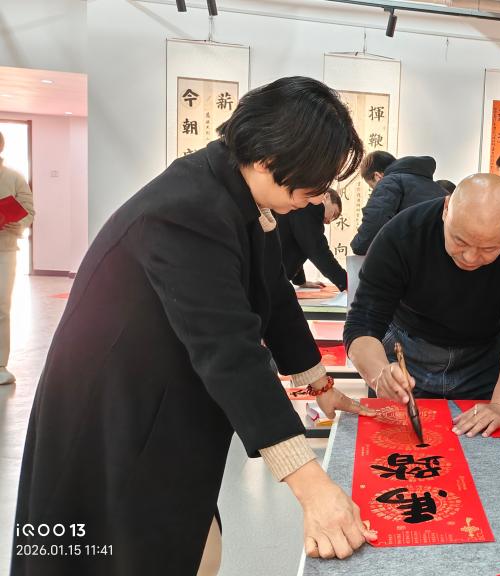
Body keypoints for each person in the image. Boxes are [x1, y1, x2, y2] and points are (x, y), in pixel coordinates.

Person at [13, 77, 377, 575]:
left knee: (186, 543)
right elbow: (229, 350)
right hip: (114, 412)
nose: (317, 198)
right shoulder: (188, 208)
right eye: (314, 184)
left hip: (163, 398)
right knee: (126, 552)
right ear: (269, 158)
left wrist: (321, 386)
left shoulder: (238, 195)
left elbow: (273, 294)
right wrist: (312, 487)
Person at [343, 173, 500, 437]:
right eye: (460, 241)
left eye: (489, 249)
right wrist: (379, 373)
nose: (471, 257)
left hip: (487, 356)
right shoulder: (403, 232)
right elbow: (362, 322)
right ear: (446, 208)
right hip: (410, 352)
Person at [350, 153, 446, 255]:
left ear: (378, 176)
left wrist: (357, 245)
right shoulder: (433, 186)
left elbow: (374, 225)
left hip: (422, 255)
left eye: (372, 187)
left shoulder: (388, 182)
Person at [0, 130, 34, 386]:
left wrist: (17, 222)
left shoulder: (14, 178)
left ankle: (0, 365)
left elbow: (29, 212)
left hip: (5, 250)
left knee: (1, 308)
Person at [277, 188, 348, 290]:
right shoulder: (312, 205)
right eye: (334, 215)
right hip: (269, 276)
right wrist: (346, 282)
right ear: (326, 196)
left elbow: (298, 244)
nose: (329, 222)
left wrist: (301, 281)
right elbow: (318, 250)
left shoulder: (303, 205)